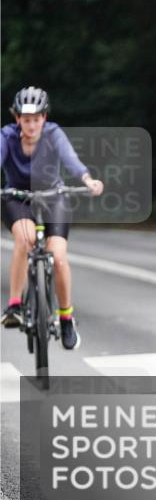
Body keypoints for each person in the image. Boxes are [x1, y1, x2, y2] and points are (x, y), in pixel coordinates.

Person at [0, 87, 104, 349]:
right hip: (17, 196)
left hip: (53, 196)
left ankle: (65, 317)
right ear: (17, 119)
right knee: (24, 241)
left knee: (57, 257)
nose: (31, 124)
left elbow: (71, 159)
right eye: (26, 119)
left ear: (44, 118)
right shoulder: (7, 136)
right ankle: (14, 306)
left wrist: (87, 179)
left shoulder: (53, 134)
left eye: (36, 119)